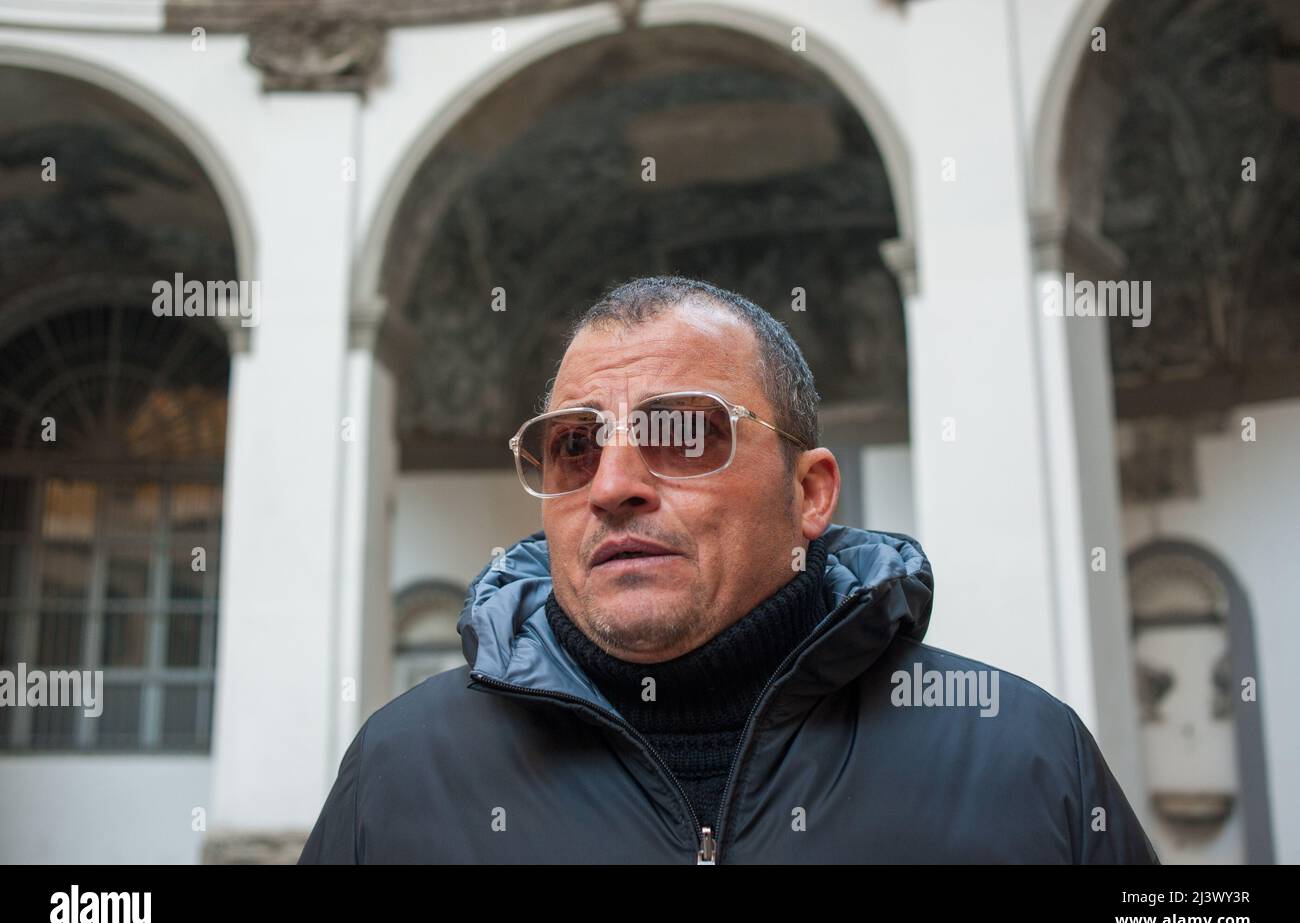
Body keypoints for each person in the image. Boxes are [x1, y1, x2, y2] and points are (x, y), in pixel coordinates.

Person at [299, 275, 1160, 864]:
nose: (615, 486)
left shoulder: (1023, 757)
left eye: (682, 435)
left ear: (810, 490)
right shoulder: (402, 769)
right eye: (573, 446)